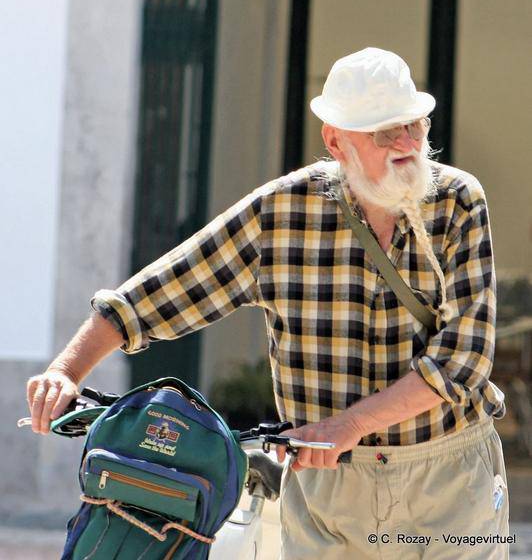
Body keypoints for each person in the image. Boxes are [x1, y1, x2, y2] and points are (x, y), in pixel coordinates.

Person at [27, 47, 510, 559]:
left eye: (414, 125)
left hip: (451, 481)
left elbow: (462, 363)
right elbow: (159, 294)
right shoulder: (279, 213)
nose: (407, 144)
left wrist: (347, 426)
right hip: (330, 496)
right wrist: (66, 369)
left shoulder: (459, 201)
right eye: (384, 132)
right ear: (336, 141)